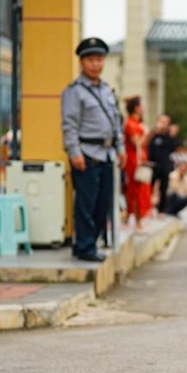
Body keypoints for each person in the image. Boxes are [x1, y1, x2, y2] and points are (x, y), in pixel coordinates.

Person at [61, 37, 125, 262]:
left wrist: (121, 148)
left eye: (99, 59)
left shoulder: (107, 90)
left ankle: (89, 243)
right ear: (81, 62)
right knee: (85, 204)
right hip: (86, 153)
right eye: (90, 60)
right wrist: (74, 152)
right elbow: (69, 125)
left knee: (102, 204)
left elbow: (116, 121)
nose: (96, 64)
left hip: (106, 153)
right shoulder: (74, 91)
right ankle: (85, 246)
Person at [123, 96, 152, 230]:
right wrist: (149, 133)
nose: (144, 107)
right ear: (136, 107)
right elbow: (137, 142)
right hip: (133, 161)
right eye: (142, 105)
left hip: (141, 159)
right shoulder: (130, 123)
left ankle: (141, 217)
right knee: (135, 190)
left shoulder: (139, 123)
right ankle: (134, 217)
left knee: (143, 190)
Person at [147, 114, 176, 214]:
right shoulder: (153, 134)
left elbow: (172, 148)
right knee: (149, 187)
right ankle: (148, 208)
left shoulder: (169, 136)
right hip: (153, 164)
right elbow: (147, 145)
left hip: (164, 165)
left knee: (163, 189)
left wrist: (171, 134)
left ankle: (161, 210)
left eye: (165, 122)